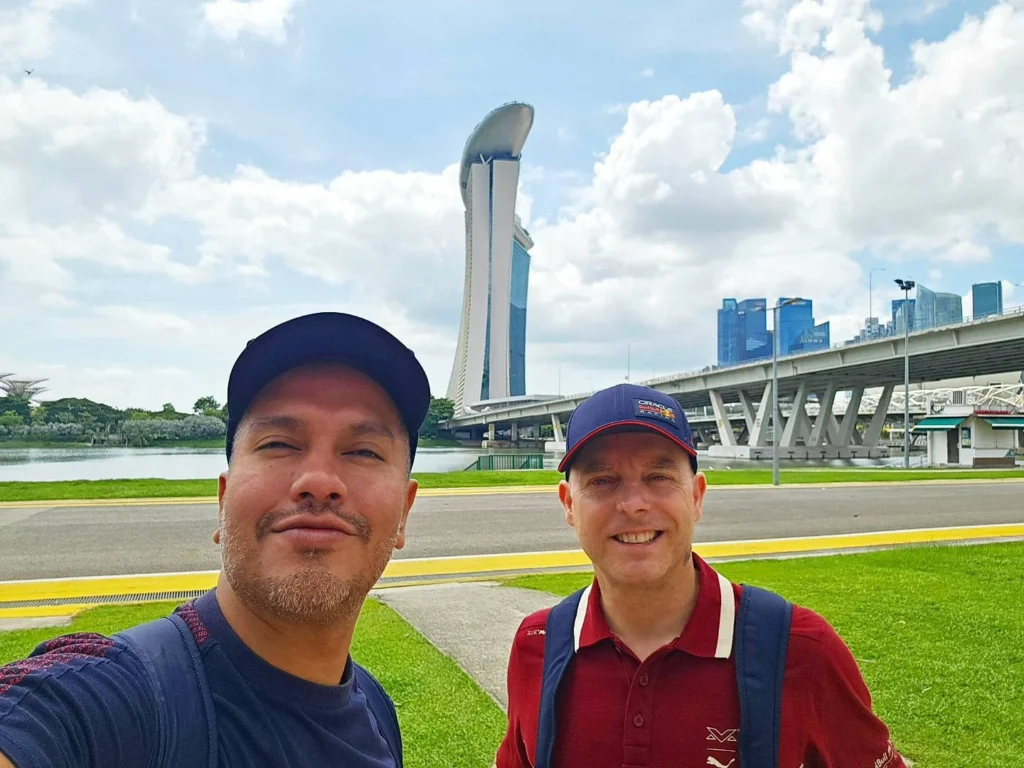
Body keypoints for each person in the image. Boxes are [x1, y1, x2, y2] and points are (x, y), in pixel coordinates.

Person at [0, 312, 432, 768]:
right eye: (279, 443)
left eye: (363, 451)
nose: (319, 480)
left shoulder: (376, 710)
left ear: (404, 511)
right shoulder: (108, 700)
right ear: (223, 501)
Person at [496, 383, 907, 768]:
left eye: (659, 477)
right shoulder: (537, 644)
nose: (633, 504)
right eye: (603, 481)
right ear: (569, 505)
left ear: (696, 497)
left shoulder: (801, 650)